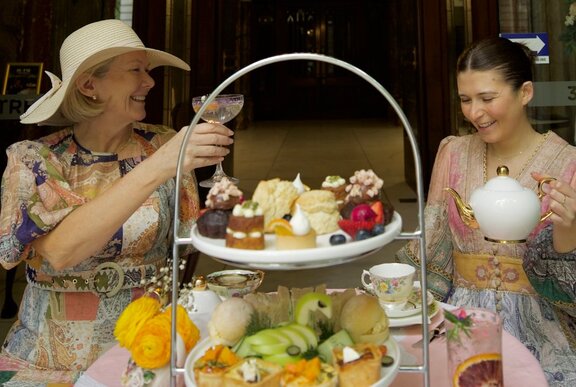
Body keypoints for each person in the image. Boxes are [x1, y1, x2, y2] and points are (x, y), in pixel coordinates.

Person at [0, 19, 233, 373]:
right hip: (50, 357)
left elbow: (187, 245)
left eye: (148, 70)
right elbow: (61, 252)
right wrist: (159, 167)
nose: (150, 81)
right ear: (89, 84)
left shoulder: (163, 143)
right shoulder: (34, 159)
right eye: (135, 70)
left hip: (151, 348)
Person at [396, 37, 576, 386]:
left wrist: (568, 234)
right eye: (465, 99)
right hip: (460, 322)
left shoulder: (568, 164)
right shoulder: (452, 153)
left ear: (525, 92)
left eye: (487, 98)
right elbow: (433, 254)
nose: (474, 113)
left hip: (542, 329)